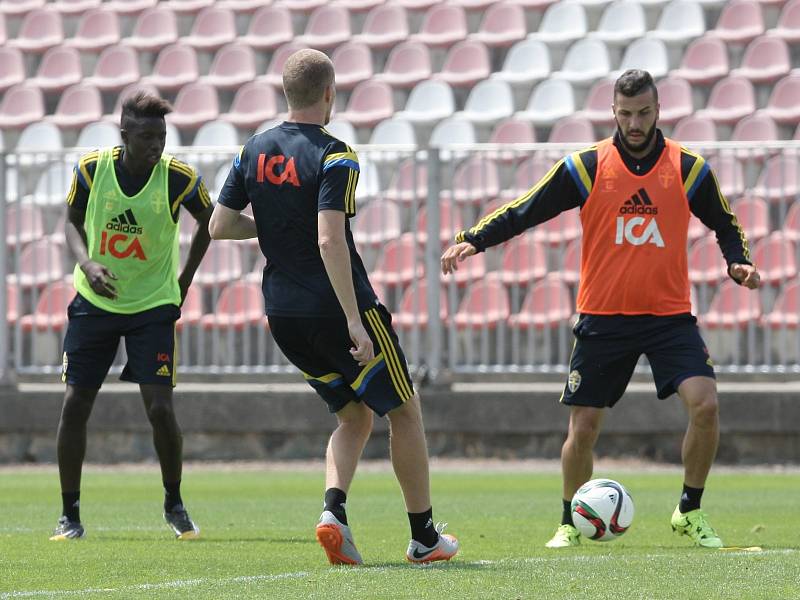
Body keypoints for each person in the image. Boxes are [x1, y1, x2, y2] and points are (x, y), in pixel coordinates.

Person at [441, 69, 760, 549]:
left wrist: (739, 262)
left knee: (707, 405)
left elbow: (725, 222)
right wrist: (474, 239)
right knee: (584, 427)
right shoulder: (587, 166)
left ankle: (689, 511)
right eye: (626, 113)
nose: (635, 123)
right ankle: (569, 521)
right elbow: (527, 208)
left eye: (644, 113)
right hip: (603, 317)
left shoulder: (688, 168)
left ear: (658, 111)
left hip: (669, 317)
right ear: (613, 111)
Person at [209, 49, 459, 565]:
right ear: (329, 94)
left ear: (286, 93)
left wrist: (275, 228)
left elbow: (219, 225)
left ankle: (334, 514)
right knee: (405, 412)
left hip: (282, 312)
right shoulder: (336, 154)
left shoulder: (251, 149)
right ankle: (424, 537)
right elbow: (330, 240)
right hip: (335, 307)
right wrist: (353, 318)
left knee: (353, 417)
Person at [50, 92, 213, 541]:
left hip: (152, 305)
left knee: (160, 409)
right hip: (95, 302)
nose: (156, 145)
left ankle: (174, 502)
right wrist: (87, 264)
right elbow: (70, 222)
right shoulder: (91, 169)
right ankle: (70, 514)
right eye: (146, 137)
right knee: (75, 403)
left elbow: (210, 221)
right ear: (124, 136)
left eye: (161, 136)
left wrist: (183, 281)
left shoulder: (178, 178)